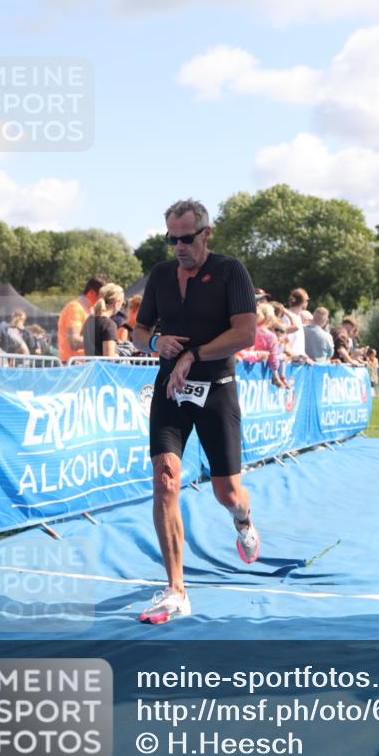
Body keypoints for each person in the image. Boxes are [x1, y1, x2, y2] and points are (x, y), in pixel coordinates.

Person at [133, 198, 259, 624]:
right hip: (171, 389)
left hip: (216, 388)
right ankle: (176, 590)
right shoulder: (161, 275)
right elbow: (138, 331)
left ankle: (243, 519)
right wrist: (155, 343)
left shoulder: (230, 271)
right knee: (165, 480)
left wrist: (194, 354)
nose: (179, 247)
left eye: (186, 238)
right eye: (172, 240)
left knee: (227, 493)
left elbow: (245, 333)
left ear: (206, 234)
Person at [57, 275, 107, 363]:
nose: (104, 301)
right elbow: (74, 342)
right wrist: (104, 342)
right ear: (92, 293)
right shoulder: (75, 307)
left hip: (83, 365)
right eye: (102, 296)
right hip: (73, 365)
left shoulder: (90, 309)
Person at [83, 284, 124, 357]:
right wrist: (123, 353)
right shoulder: (109, 325)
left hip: (89, 364)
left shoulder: (89, 320)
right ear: (117, 304)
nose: (122, 306)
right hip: (101, 365)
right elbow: (109, 358)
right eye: (122, 303)